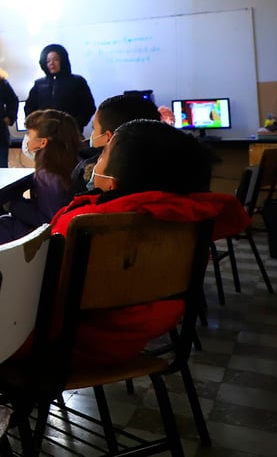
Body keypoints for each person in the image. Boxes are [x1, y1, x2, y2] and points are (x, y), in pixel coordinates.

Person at [47, 119, 250, 366]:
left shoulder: (85, 225)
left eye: (102, 155)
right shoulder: (189, 222)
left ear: (113, 182)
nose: (95, 161)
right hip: (140, 338)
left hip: (68, 345)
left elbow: (45, 299)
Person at [0, 109, 82, 247]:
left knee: (0, 227)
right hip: (72, 234)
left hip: (53, 242)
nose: (27, 139)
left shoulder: (49, 174)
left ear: (43, 143)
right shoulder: (76, 161)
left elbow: (48, 219)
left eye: (29, 134)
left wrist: (13, 204)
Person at [71, 94, 162, 194]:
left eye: (94, 129)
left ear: (109, 138)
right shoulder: (169, 165)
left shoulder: (88, 171)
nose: (91, 135)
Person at [24, 43, 96, 131]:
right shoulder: (39, 84)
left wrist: (75, 125)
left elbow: (88, 107)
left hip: (70, 133)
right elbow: (29, 108)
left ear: (63, 60)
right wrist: (36, 126)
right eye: (48, 61)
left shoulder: (77, 81)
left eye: (56, 59)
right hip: (45, 133)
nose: (51, 63)